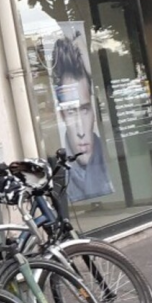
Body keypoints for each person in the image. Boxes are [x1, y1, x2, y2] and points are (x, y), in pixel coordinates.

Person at [50, 34, 113, 202]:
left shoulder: (110, 162)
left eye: (85, 110)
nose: (80, 132)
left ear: (93, 111)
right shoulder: (61, 173)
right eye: (70, 111)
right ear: (61, 115)